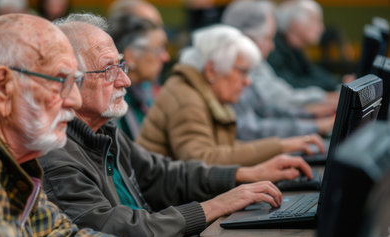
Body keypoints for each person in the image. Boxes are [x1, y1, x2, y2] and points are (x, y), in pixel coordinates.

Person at [0, 13, 253, 237]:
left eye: (76, 82)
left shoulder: (3, 154)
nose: (74, 99)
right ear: (2, 87)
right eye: (61, 82)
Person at [39, 13, 312, 237]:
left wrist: (243, 176)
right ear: (69, 80)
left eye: (120, 66)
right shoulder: (55, 155)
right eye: (109, 70)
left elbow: (162, 175)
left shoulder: (105, 131)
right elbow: (113, 232)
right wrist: (216, 205)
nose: (125, 80)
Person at [137, 24, 325, 167]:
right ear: (211, 69)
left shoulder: (203, 91)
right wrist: (281, 148)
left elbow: (225, 149)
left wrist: (284, 146)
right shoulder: (186, 97)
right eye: (242, 72)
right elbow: (203, 160)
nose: (247, 82)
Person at [221, 0, 335, 140]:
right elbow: (250, 129)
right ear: (248, 39)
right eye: (268, 38)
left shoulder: (255, 65)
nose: (272, 47)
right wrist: (315, 125)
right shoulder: (230, 70)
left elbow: (268, 108)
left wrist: (311, 116)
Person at [109, 14, 170, 140]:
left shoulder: (147, 92)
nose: (165, 57)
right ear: (131, 57)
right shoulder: (111, 104)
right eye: (159, 49)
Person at [267, 0, 341, 91]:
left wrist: (339, 82)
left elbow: (311, 71)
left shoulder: (295, 47)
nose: (322, 28)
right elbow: (291, 84)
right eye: (316, 21)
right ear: (295, 23)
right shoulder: (272, 47)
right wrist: (334, 85)